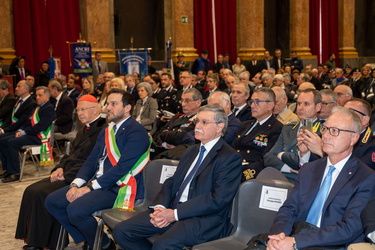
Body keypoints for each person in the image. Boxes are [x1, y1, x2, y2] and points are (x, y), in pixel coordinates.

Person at [113, 104, 242, 249]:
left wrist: (175, 214)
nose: (198, 126)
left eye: (204, 122)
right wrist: (160, 207)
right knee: (122, 231)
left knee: (163, 244)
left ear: (219, 127)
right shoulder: (191, 151)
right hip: (172, 209)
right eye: (197, 121)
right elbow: (172, 182)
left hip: (202, 219)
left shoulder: (230, 157)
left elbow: (218, 199)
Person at [256, 107, 375, 249]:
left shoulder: (365, 177)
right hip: (293, 236)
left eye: (335, 131)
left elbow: (348, 228)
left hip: (329, 244)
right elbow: (288, 209)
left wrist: (295, 242)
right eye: (325, 129)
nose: (325, 136)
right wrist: (278, 237)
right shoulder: (309, 169)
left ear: (353, 138)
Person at [45, 89, 150, 249]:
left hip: (119, 187)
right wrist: (76, 184)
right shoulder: (107, 131)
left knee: (75, 210)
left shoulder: (136, 131)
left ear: (127, 107)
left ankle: (103, 244)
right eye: (108, 103)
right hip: (97, 183)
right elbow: (90, 162)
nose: (108, 107)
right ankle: (93, 240)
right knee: (53, 201)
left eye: (114, 104)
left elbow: (122, 168)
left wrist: (88, 188)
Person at [15, 95, 107, 250]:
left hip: (81, 177)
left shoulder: (103, 130)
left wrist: (67, 175)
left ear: (96, 109)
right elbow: (69, 155)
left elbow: (92, 162)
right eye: (78, 110)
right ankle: (34, 239)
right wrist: (59, 168)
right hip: (69, 172)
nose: (80, 114)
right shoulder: (83, 130)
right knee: (30, 190)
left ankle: (45, 243)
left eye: (83, 109)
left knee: (41, 193)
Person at [264, 88, 322, 182]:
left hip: (306, 182)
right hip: (282, 176)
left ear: (318, 107)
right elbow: (268, 157)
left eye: (306, 104)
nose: (300, 108)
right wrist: (289, 169)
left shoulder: (324, 131)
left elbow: (312, 163)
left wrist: (281, 155)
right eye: (299, 104)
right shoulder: (288, 128)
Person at [0, 86, 56, 182]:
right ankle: (8, 170)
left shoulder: (48, 109)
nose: (37, 97)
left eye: (40, 95)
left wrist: (24, 132)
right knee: (2, 140)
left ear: (47, 96)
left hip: (39, 137)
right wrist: (20, 131)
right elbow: (27, 122)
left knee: (11, 142)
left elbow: (40, 127)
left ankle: (15, 173)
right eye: (36, 95)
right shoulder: (37, 107)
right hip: (31, 134)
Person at [232, 88, 283, 181]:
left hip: (250, 174)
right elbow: (233, 148)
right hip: (233, 167)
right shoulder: (245, 124)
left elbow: (265, 159)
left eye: (257, 102)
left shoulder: (276, 128)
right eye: (251, 102)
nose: (252, 106)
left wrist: (242, 176)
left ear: (270, 105)